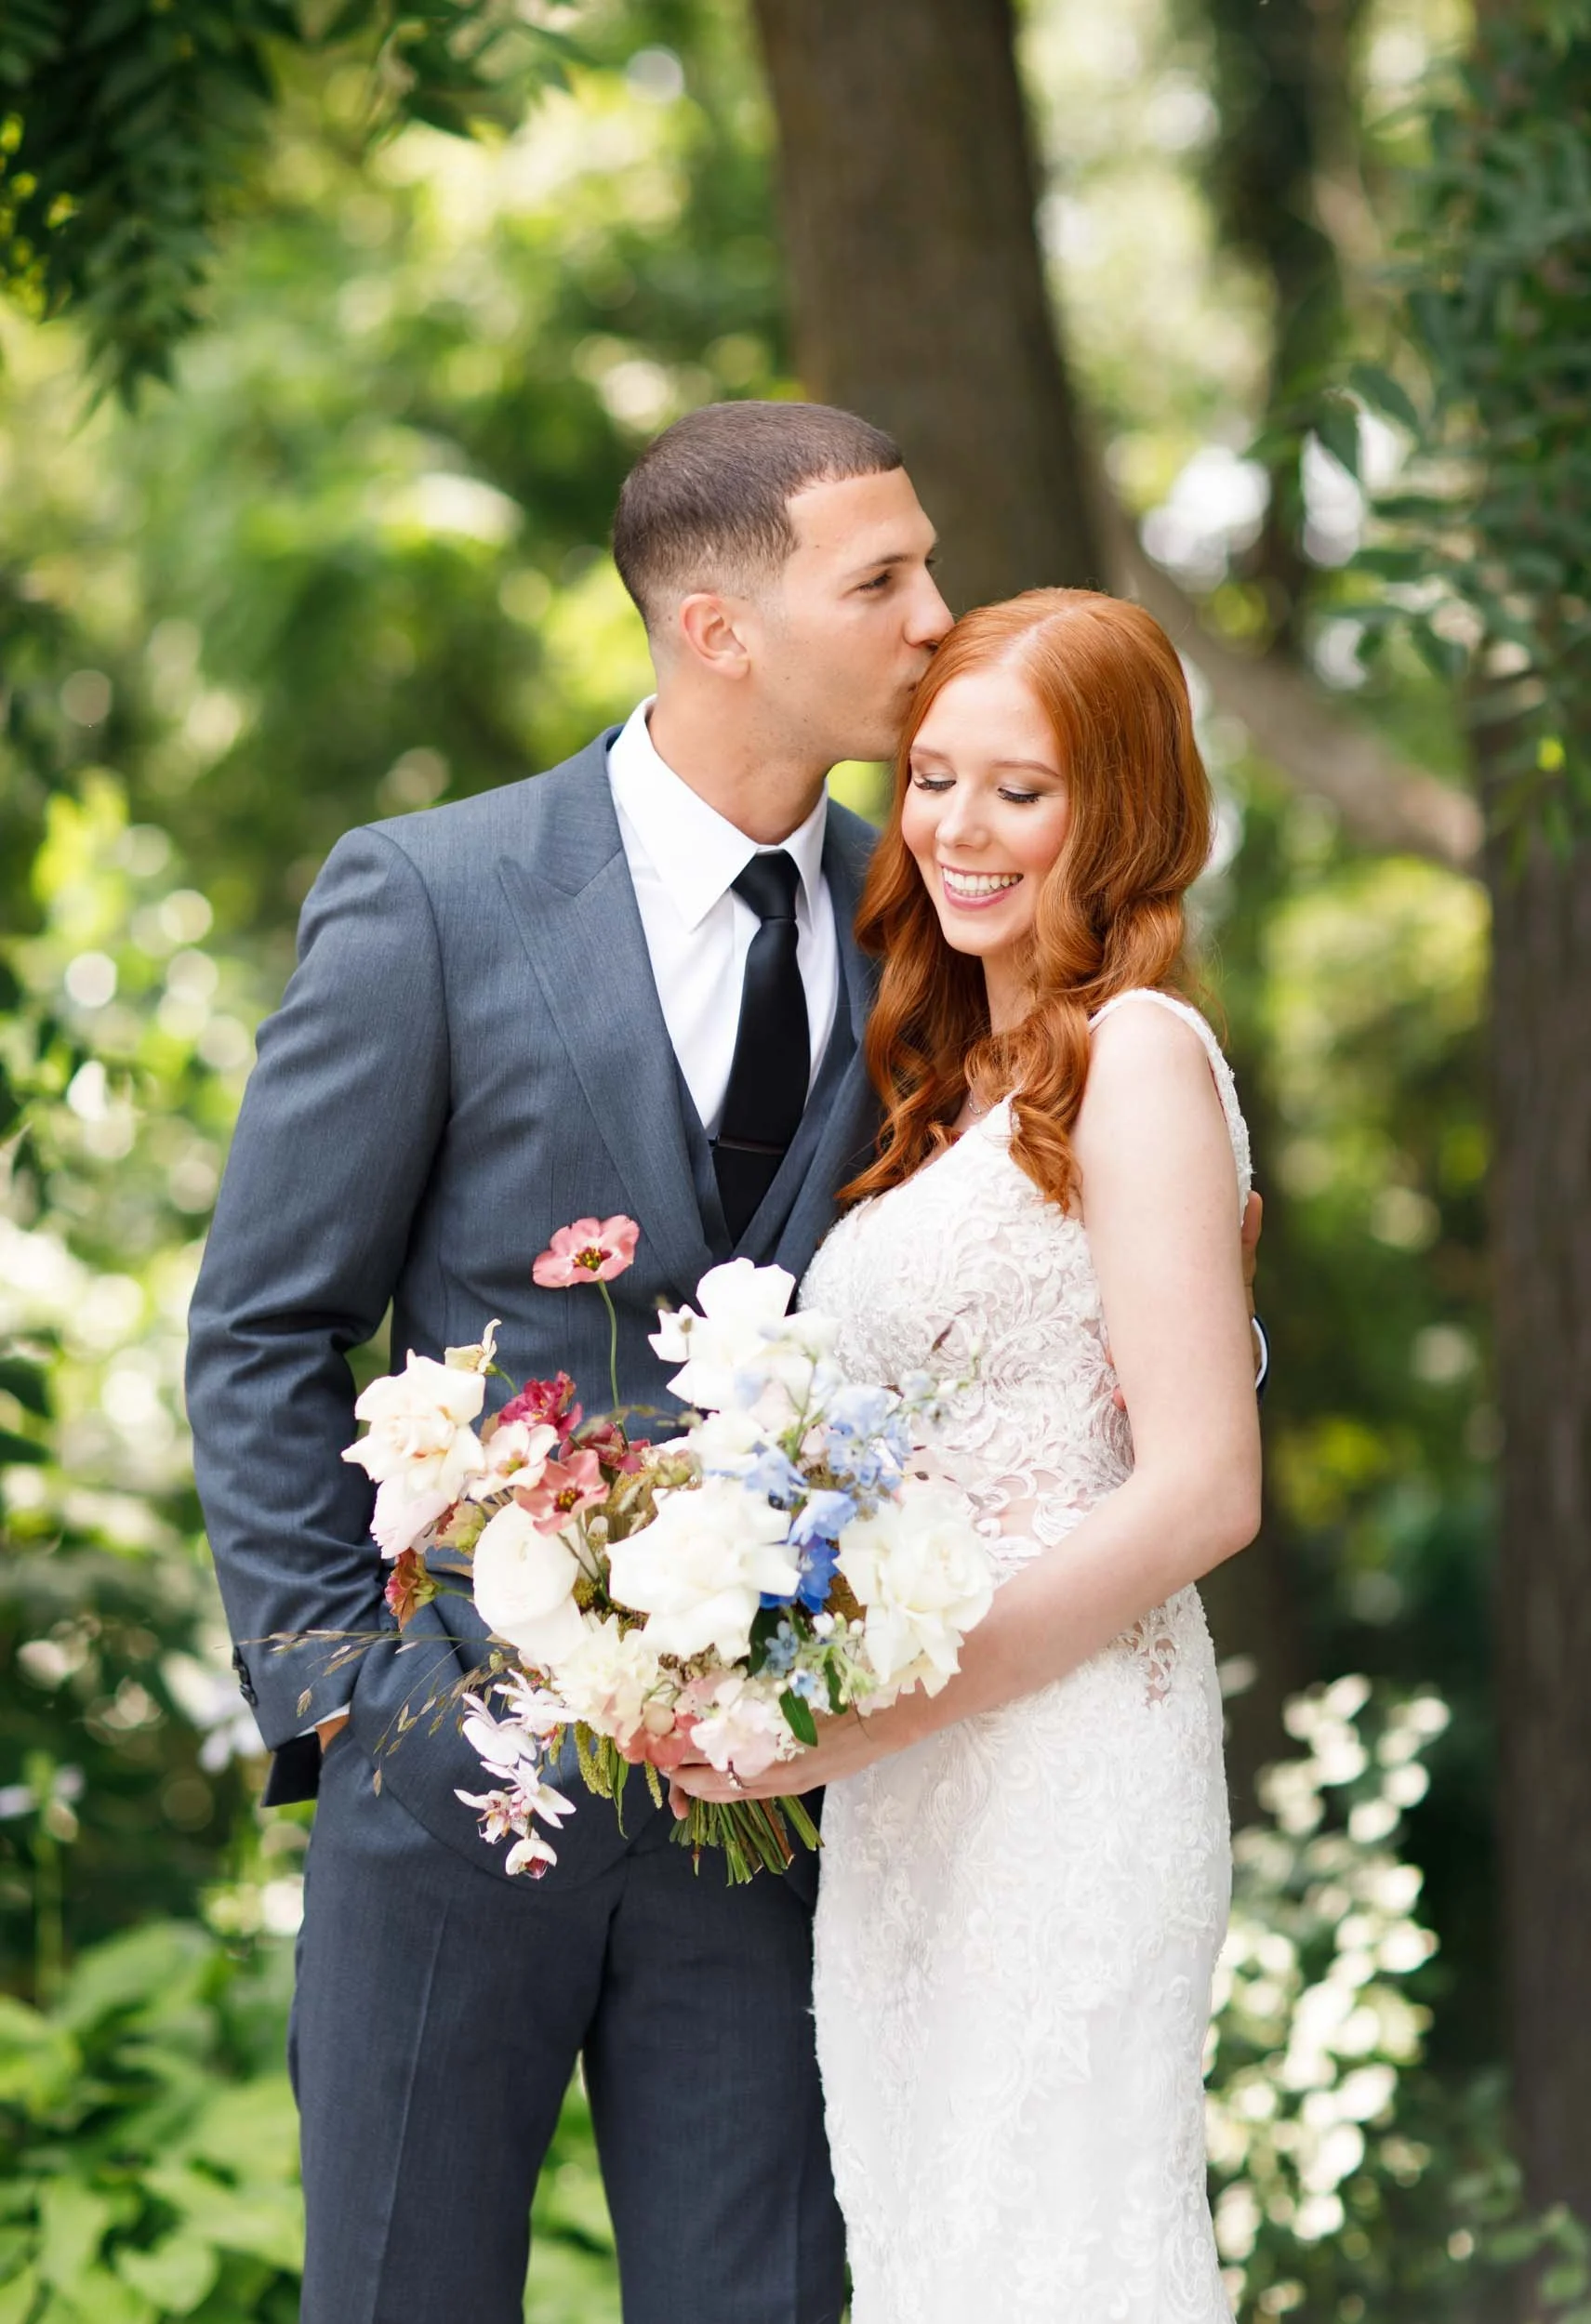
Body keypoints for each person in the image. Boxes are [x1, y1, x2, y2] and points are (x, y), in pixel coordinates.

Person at [184, 399, 951, 2324]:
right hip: (462, 1777)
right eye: (885, 578)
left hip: (778, 1811)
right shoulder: (429, 896)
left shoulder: (930, 922)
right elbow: (269, 1321)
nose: (938, 614)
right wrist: (359, 1697)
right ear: (721, 628)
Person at [674, 588, 1263, 2322]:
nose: (954, 829)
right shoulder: (965, 1085)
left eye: (1023, 788)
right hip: (913, 1794)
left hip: (1064, 1768)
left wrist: (862, 1713)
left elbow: (1202, 1489)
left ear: (1125, 810)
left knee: (1050, 2253)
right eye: (933, 777)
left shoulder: (1140, 1058)